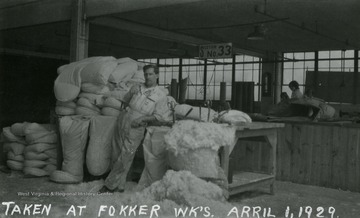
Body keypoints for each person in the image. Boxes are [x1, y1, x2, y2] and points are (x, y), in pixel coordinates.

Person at [99, 64, 171, 193]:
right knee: (116, 151)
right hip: (124, 118)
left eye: (150, 74)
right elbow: (125, 101)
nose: (147, 77)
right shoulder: (137, 87)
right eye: (146, 74)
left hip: (137, 125)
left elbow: (159, 117)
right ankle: (120, 185)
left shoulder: (160, 95)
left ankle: (109, 185)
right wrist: (129, 94)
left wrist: (143, 119)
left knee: (126, 155)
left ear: (157, 75)